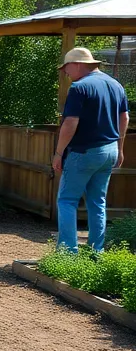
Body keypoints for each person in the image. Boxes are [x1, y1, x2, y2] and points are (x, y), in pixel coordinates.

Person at [52, 47, 129, 252]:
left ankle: (67, 253)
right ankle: (97, 252)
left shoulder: (79, 87)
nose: (65, 72)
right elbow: (124, 118)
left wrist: (59, 153)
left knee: (67, 200)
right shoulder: (115, 84)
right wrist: (120, 149)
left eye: (66, 67)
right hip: (110, 150)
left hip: (84, 152)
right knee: (97, 202)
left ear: (77, 64)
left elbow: (70, 123)